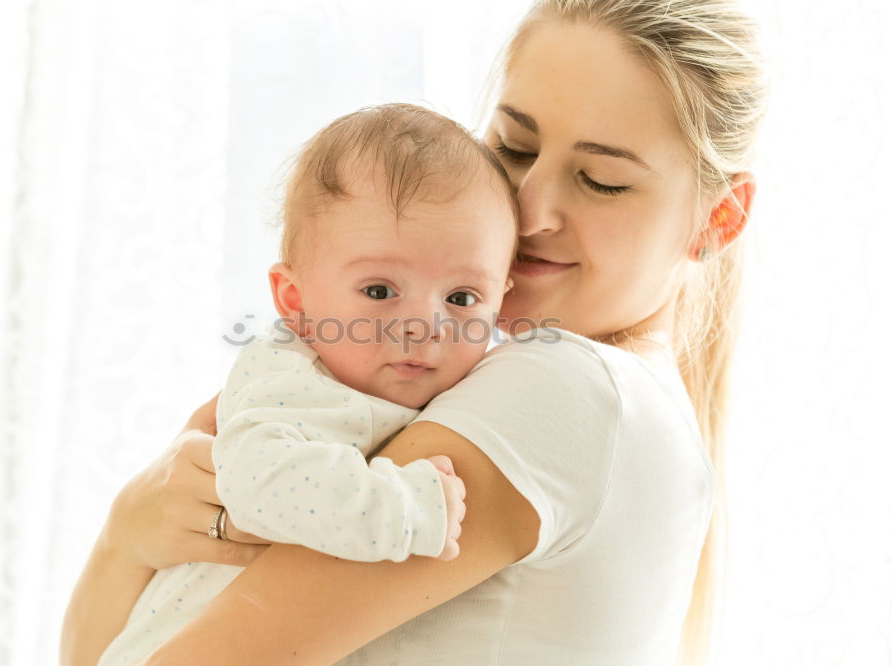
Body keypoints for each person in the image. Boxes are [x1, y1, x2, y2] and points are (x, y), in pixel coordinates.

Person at [61, 1, 767, 664]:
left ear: (720, 219)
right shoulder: (571, 392)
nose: (527, 209)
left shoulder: (567, 390)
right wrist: (130, 530)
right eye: (515, 147)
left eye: (600, 180)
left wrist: (128, 539)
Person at [96, 102, 518, 664]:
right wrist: (400, 508)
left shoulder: (475, 388)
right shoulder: (291, 379)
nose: (425, 324)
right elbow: (258, 485)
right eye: (379, 291)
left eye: (462, 299)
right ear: (295, 301)